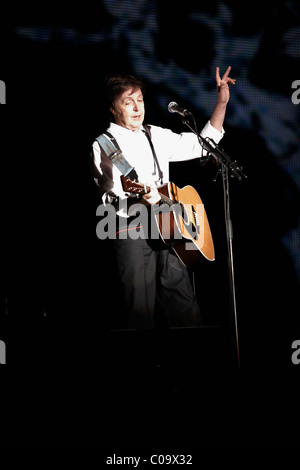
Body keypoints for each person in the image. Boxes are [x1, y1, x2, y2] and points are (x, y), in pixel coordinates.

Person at [91, 67, 236, 329]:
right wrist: (138, 200)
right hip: (131, 229)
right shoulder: (105, 144)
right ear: (113, 108)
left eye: (140, 100)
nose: (137, 107)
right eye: (127, 102)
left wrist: (221, 102)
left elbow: (202, 144)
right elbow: (110, 199)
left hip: (169, 226)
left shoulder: (154, 134)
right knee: (139, 310)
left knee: (183, 305)